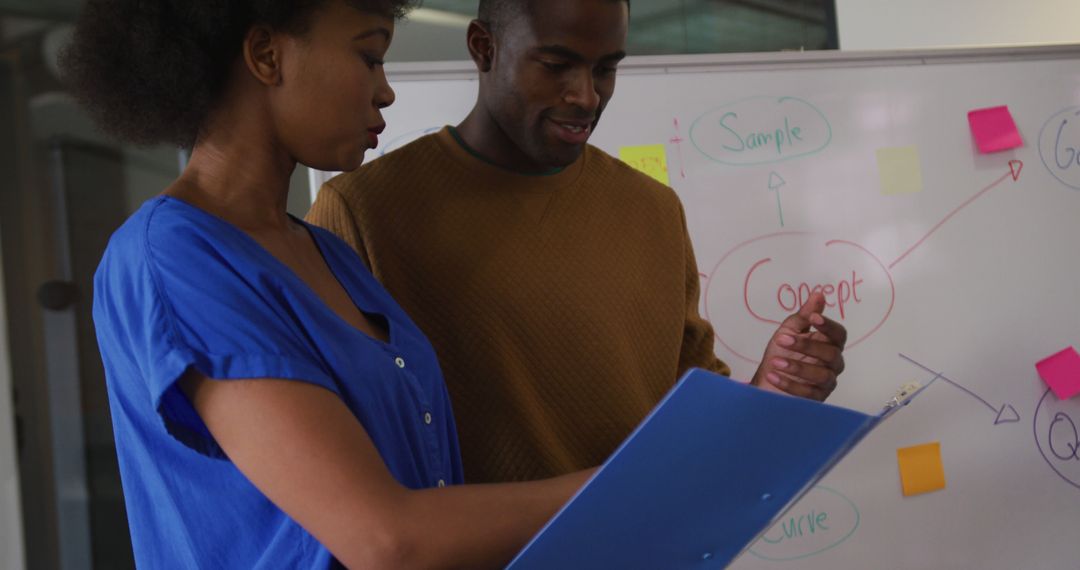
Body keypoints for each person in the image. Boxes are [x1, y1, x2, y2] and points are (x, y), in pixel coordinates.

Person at [64, 1, 593, 567]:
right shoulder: (173, 257)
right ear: (267, 56)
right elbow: (383, 538)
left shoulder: (329, 255)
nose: (385, 92)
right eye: (369, 57)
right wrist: (623, 481)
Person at [307, 0, 848, 484]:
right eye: (556, 65)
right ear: (483, 47)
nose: (586, 96)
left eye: (606, 68)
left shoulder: (653, 210)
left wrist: (768, 389)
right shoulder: (364, 213)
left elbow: (691, 407)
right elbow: (340, 459)